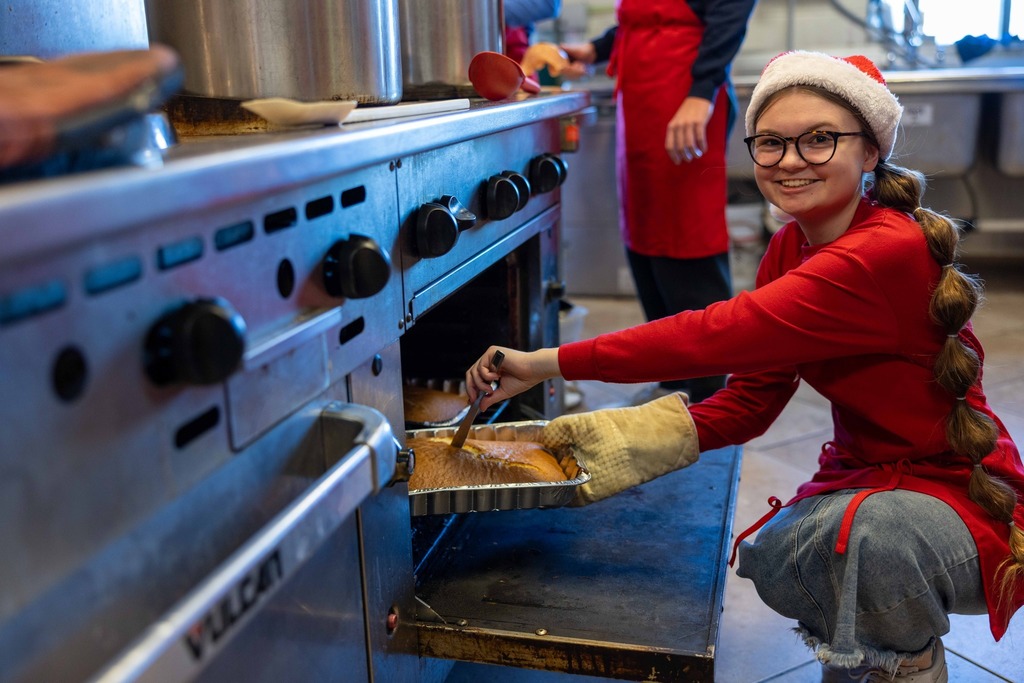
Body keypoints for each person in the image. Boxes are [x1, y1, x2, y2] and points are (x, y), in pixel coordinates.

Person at [465, 51, 1024, 681]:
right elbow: (750, 402)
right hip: (871, 479)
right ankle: (879, 654)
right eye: (772, 143)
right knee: (805, 552)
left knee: (866, 546)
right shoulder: (791, 245)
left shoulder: (881, 252)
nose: (790, 161)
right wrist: (621, 441)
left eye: (819, 140)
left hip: (963, 504)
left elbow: (715, 335)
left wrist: (548, 361)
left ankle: (908, 663)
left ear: (870, 152)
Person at [559, 0, 757, 403]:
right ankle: (674, 376)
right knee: (645, 230)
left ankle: (706, 386)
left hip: (681, 97)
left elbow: (727, 10)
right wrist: (599, 48)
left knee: (686, 232)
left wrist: (701, 92)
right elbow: (648, 15)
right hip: (643, 102)